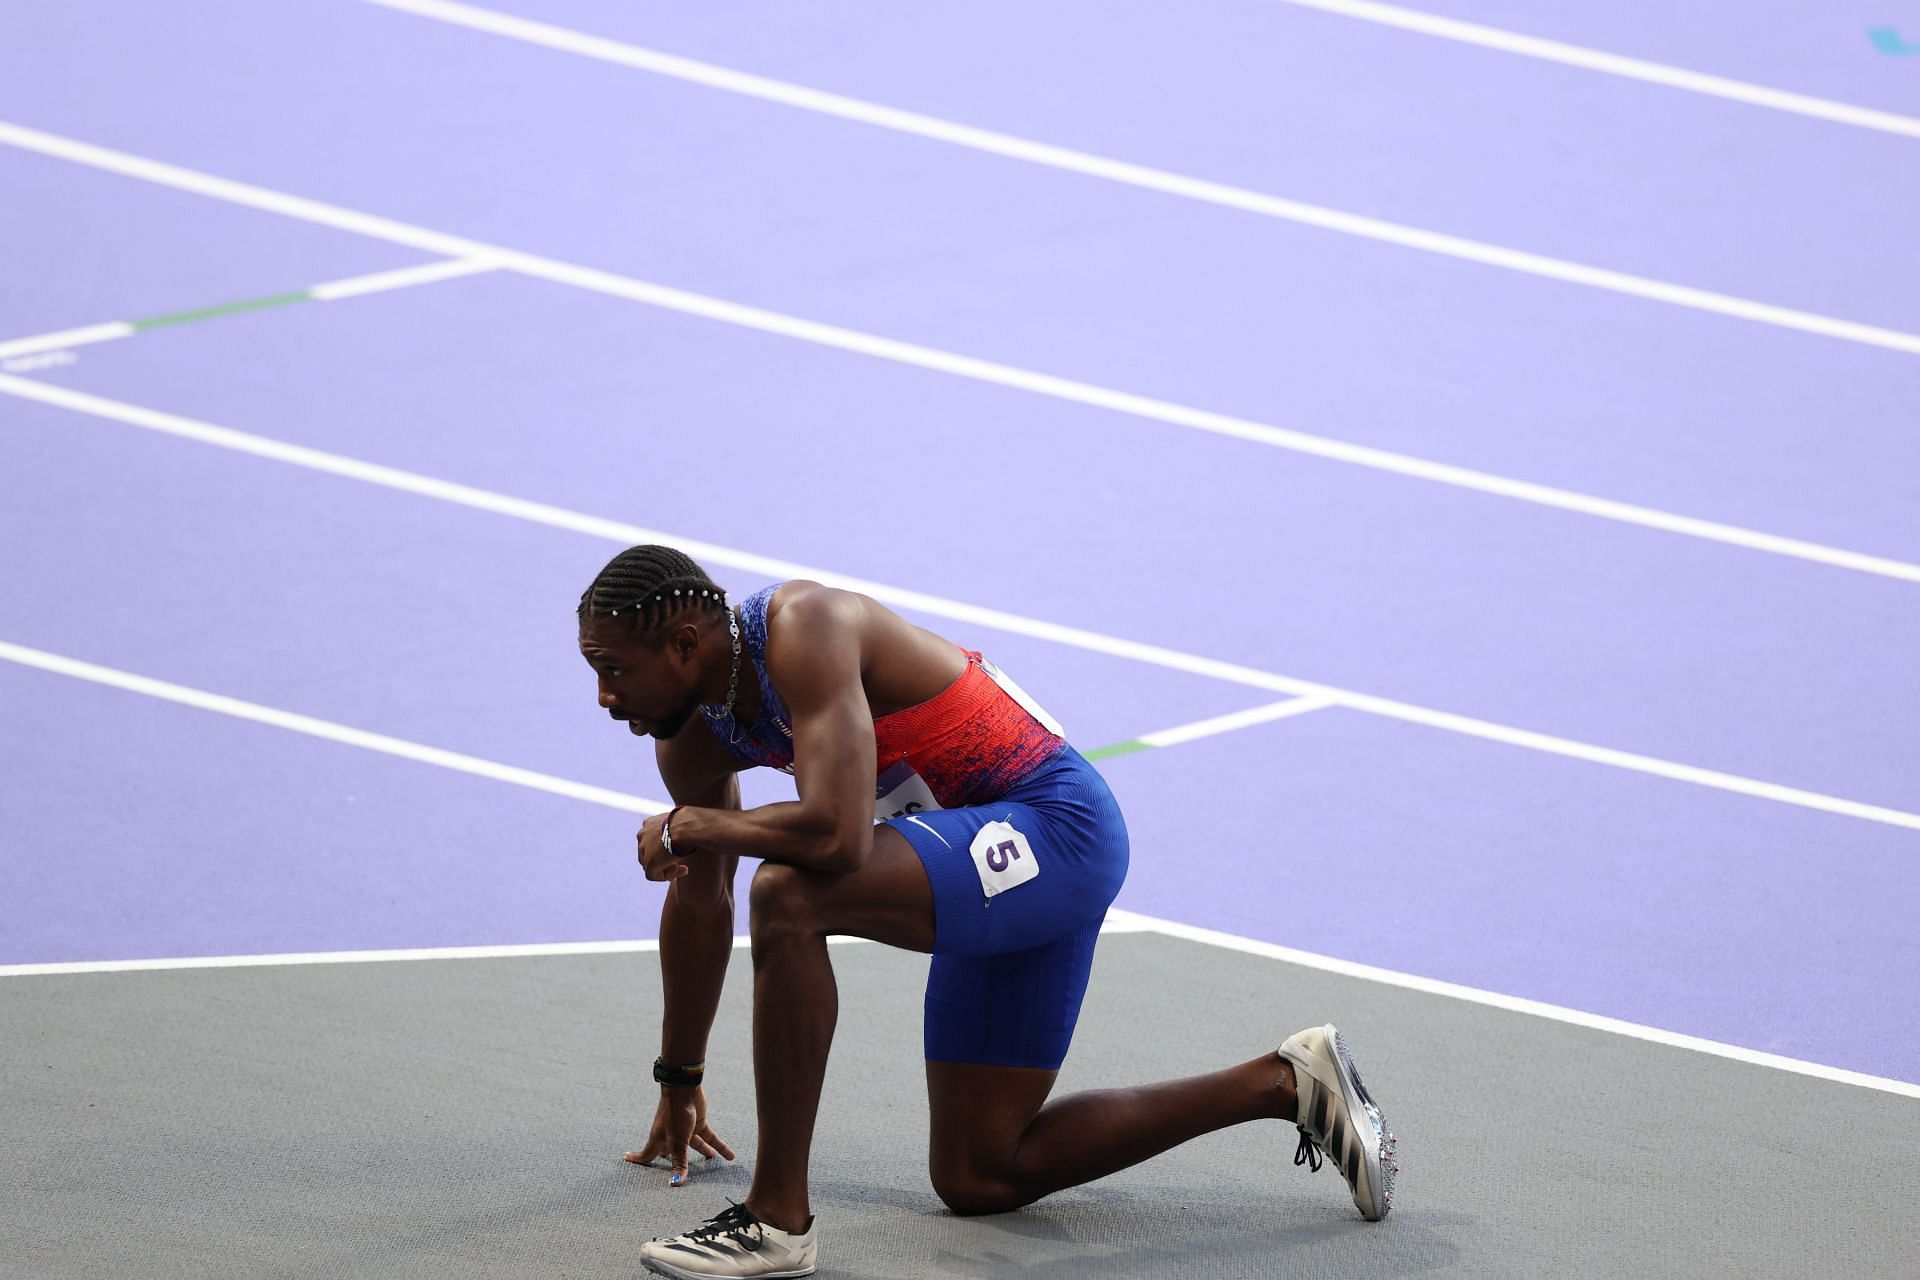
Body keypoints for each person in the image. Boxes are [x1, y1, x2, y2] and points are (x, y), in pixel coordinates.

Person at [576, 545, 1396, 1279]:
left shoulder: (804, 625)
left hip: (1056, 831)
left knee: (788, 893)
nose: (606, 697)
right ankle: (1289, 1082)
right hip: (972, 859)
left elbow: (835, 833)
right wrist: (679, 1078)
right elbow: (699, 891)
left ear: (684, 647)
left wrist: (701, 824)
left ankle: (775, 1219)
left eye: (613, 669)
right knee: (980, 1173)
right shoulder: (688, 735)